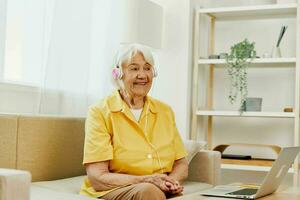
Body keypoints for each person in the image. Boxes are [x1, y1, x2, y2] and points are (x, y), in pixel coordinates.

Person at [80, 44, 188, 200]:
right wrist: (147, 180)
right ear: (118, 74)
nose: (142, 75)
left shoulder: (165, 111)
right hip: (119, 188)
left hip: (157, 187)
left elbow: (181, 163)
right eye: (134, 68)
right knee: (148, 191)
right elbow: (97, 177)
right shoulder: (100, 112)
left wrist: (171, 182)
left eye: (147, 68)